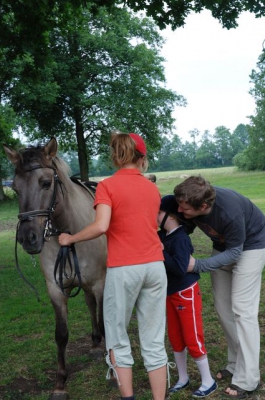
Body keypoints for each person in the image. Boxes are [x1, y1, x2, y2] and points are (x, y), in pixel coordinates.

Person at [58, 132, 168, 400]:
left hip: (124, 269)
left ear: (115, 157)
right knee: (153, 340)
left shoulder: (107, 186)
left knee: (118, 339)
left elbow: (101, 226)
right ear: (142, 159)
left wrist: (70, 237)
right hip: (155, 266)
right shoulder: (151, 187)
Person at [174, 175, 265, 399]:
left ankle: (248, 378)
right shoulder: (188, 203)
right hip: (223, 247)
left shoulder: (229, 211)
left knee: (243, 311)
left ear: (203, 206)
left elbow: (235, 252)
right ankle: (235, 365)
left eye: (184, 208)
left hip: (251, 247)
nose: (179, 210)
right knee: (224, 310)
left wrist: (199, 265)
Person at [157, 195, 217, 398]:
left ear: (171, 216)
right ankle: (183, 378)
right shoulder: (162, 235)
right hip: (169, 292)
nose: (155, 217)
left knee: (192, 337)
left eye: (158, 213)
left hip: (185, 292)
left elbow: (181, 268)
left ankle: (208, 381)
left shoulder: (181, 238)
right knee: (175, 337)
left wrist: (161, 252)